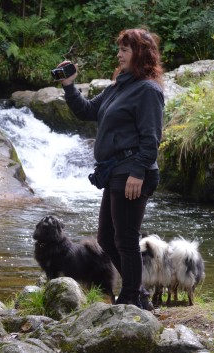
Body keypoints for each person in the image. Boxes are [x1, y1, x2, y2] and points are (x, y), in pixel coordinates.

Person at [58, 28, 165, 308]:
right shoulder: (119, 86)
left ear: (140, 54)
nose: (119, 54)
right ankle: (138, 293)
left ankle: (131, 298)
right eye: (120, 49)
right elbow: (87, 111)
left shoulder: (148, 91)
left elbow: (152, 137)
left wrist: (138, 172)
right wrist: (70, 86)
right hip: (115, 171)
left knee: (126, 238)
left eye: (125, 49)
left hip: (133, 171)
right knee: (107, 238)